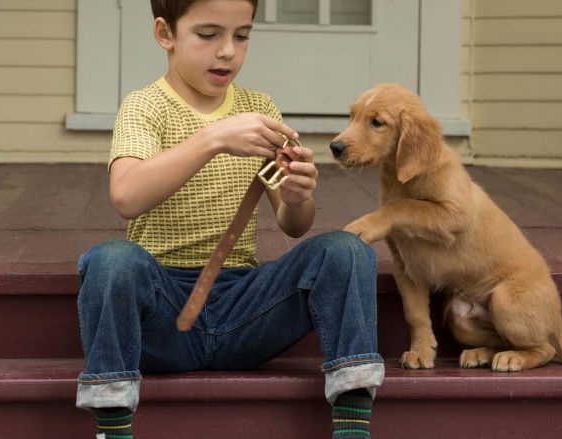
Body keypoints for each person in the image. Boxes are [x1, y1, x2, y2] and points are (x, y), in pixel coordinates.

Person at [75, 1, 384, 438]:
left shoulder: (259, 108)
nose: (227, 52)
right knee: (110, 260)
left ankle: (352, 426)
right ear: (166, 34)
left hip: (244, 306)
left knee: (346, 250)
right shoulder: (145, 106)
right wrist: (214, 137)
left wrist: (297, 195)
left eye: (241, 36)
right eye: (208, 35)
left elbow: (294, 223)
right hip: (163, 308)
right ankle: (113, 428)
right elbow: (126, 196)